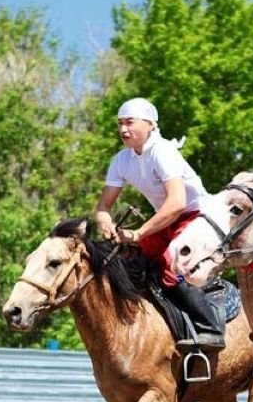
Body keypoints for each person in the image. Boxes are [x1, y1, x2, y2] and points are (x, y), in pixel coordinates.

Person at [94, 98, 225, 349]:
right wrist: (105, 224)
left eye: (129, 122)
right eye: (120, 123)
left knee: (171, 264)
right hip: (166, 219)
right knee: (131, 263)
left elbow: (177, 203)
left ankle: (210, 328)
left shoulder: (163, 151)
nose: (123, 129)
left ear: (151, 124)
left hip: (196, 216)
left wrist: (139, 233)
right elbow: (102, 208)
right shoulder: (121, 160)